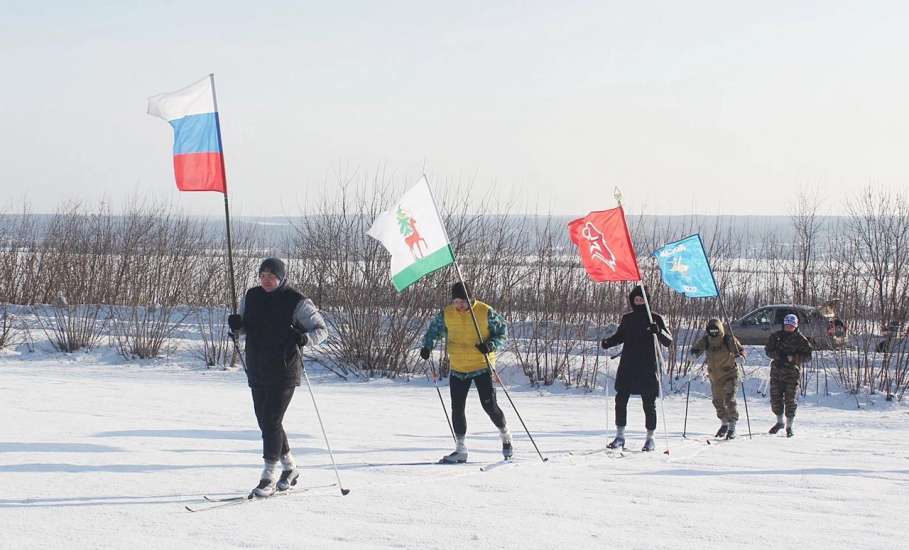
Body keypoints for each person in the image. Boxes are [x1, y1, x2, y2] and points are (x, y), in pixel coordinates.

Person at [227, 257, 328, 497]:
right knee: (266, 421)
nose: (267, 280)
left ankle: (268, 477)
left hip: (284, 370)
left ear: (281, 278)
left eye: (271, 276)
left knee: (271, 420)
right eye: (263, 276)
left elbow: (321, 330)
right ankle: (290, 468)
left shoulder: (296, 301)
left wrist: (305, 339)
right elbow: (242, 330)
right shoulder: (251, 296)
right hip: (257, 367)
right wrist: (236, 326)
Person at [419, 281, 511, 463]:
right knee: (457, 408)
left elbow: (502, 332)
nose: (460, 305)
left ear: (471, 299)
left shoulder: (485, 312)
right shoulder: (446, 314)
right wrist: (427, 346)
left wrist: (490, 345)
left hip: (481, 365)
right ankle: (460, 449)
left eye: (464, 301)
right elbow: (433, 331)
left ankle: (505, 436)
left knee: (489, 406)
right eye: (457, 301)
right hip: (459, 367)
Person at [601, 285, 672, 452]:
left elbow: (668, 340)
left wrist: (658, 331)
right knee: (621, 399)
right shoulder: (628, 318)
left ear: (647, 301)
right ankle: (620, 436)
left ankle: (650, 438)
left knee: (649, 403)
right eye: (636, 300)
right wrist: (608, 342)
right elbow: (620, 336)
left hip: (647, 366)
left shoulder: (655, 318)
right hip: (628, 365)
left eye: (642, 300)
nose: (638, 302)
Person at [689, 318, 744, 439]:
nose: (714, 333)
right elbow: (697, 348)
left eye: (716, 330)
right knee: (717, 401)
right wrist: (693, 354)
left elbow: (739, 349)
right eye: (711, 330)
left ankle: (732, 426)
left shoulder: (728, 339)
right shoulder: (706, 340)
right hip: (715, 376)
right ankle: (724, 423)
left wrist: (739, 356)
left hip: (730, 373)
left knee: (730, 399)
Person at [765, 313, 812, 437]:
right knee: (776, 400)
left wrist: (793, 358)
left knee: (790, 401)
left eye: (791, 326)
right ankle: (779, 422)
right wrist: (777, 355)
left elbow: (808, 356)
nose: (789, 328)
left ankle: (789, 426)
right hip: (776, 372)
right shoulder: (776, 336)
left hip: (792, 374)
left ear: (795, 326)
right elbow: (768, 350)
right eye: (787, 325)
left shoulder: (801, 340)